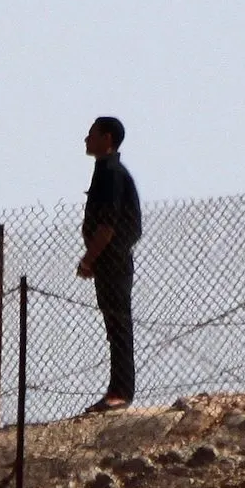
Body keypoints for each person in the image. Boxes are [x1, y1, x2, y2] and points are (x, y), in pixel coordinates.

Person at [77, 116, 142, 413]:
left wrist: (90, 258)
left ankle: (120, 392)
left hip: (113, 261)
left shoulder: (112, 174)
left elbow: (107, 225)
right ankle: (117, 389)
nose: (86, 139)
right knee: (114, 326)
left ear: (107, 138)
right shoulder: (102, 172)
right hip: (107, 261)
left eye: (91, 134)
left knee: (119, 325)